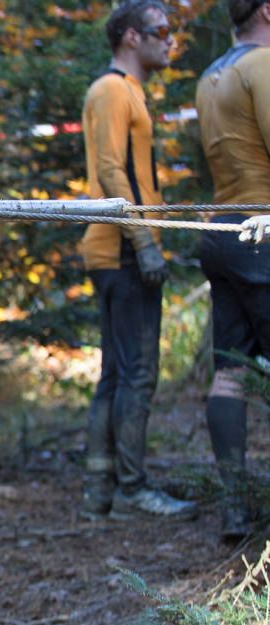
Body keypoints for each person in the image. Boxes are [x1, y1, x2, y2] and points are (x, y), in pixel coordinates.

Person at [78, 0, 196, 521]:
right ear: (130, 36)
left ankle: (99, 489)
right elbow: (109, 168)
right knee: (138, 374)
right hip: (122, 251)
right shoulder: (111, 90)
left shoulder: (128, 92)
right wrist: (144, 241)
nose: (168, 40)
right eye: (160, 31)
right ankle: (130, 489)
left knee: (116, 374)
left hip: (120, 248)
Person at [195, 0, 270, 540]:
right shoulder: (262, 66)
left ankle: (235, 506)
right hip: (263, 232)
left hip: (221, 228)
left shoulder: (211, 73)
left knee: (231, 370)